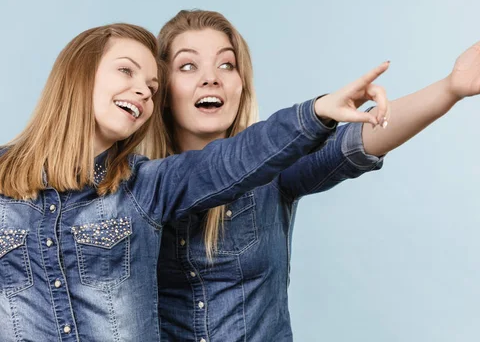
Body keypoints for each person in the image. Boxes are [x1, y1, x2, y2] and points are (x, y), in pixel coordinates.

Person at [148, 10, 480, 342]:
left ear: (240, 84)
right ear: (162, 88)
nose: (211, 77)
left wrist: (449, 89)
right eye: (187, 65)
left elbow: (356, 141)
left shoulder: (275, 173)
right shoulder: (138, 186)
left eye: (226, 64)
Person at [0, 23, 389, 342]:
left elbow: (232, 160)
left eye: (152, 88)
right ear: (79, 74)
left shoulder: (145, 186)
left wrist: (318, 112)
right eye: (126, 71)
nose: (142, 91)